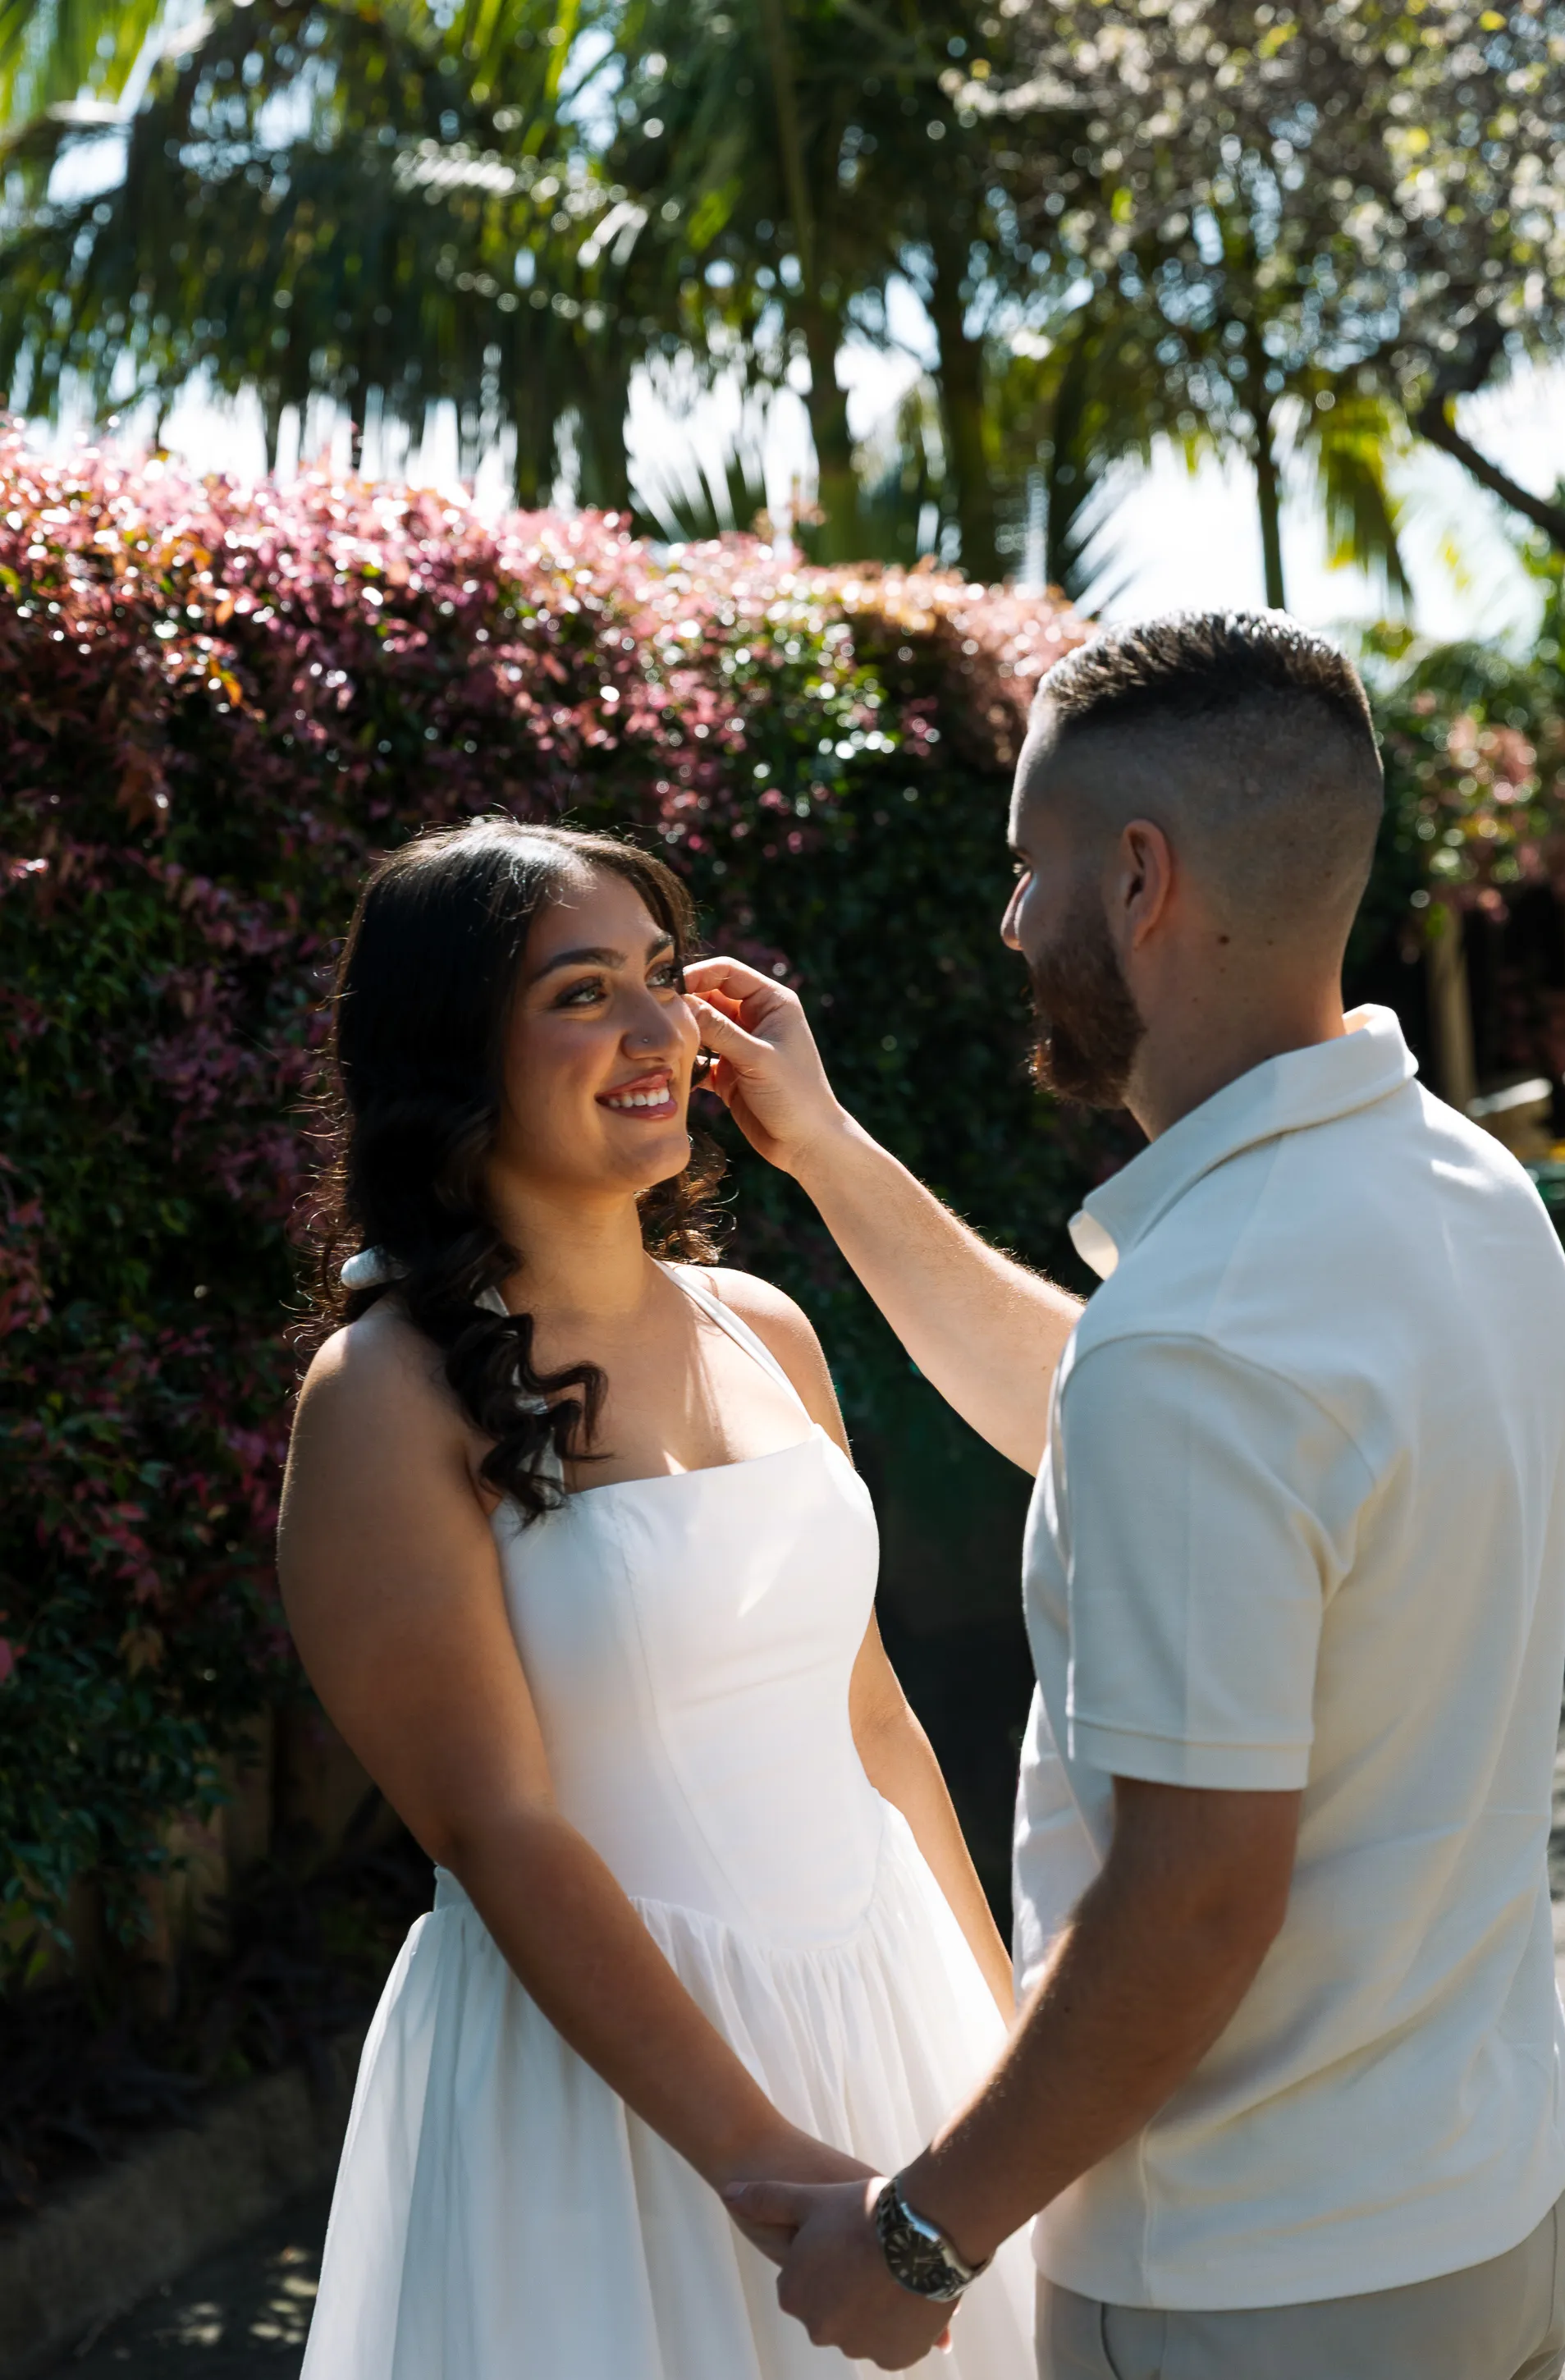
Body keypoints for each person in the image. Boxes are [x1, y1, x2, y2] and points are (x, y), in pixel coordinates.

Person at [695, 611, 1565, 2380]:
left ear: (1138, 878)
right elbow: (1130, 1436)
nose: (1012, 924)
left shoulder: (1198, 1344)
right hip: (1496, 2209)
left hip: (1257, 2285)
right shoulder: (1465, 1194)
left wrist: (924, 2233)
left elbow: (1190, 1906)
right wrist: (827, 1149)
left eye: (1030, 871)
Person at [277, 816, 1038, 2380]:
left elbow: (876, 1724)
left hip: (892, 2004)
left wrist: (1007, 2044)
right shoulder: (383, 1395)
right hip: (619, 2104)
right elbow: (498, 1829)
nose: (653, 1031)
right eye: (579, 993)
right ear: (453, 1047)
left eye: (656, 977)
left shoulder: (767, 1327)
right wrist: (774, 2171)